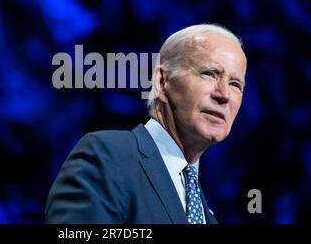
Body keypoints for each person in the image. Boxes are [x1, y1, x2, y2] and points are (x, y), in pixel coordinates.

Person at [45, 24, 247, 224]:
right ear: (162, 82)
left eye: (235, 84)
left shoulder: (207, 214)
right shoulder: (108, 155)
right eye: (209, 73)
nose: (224, 95)